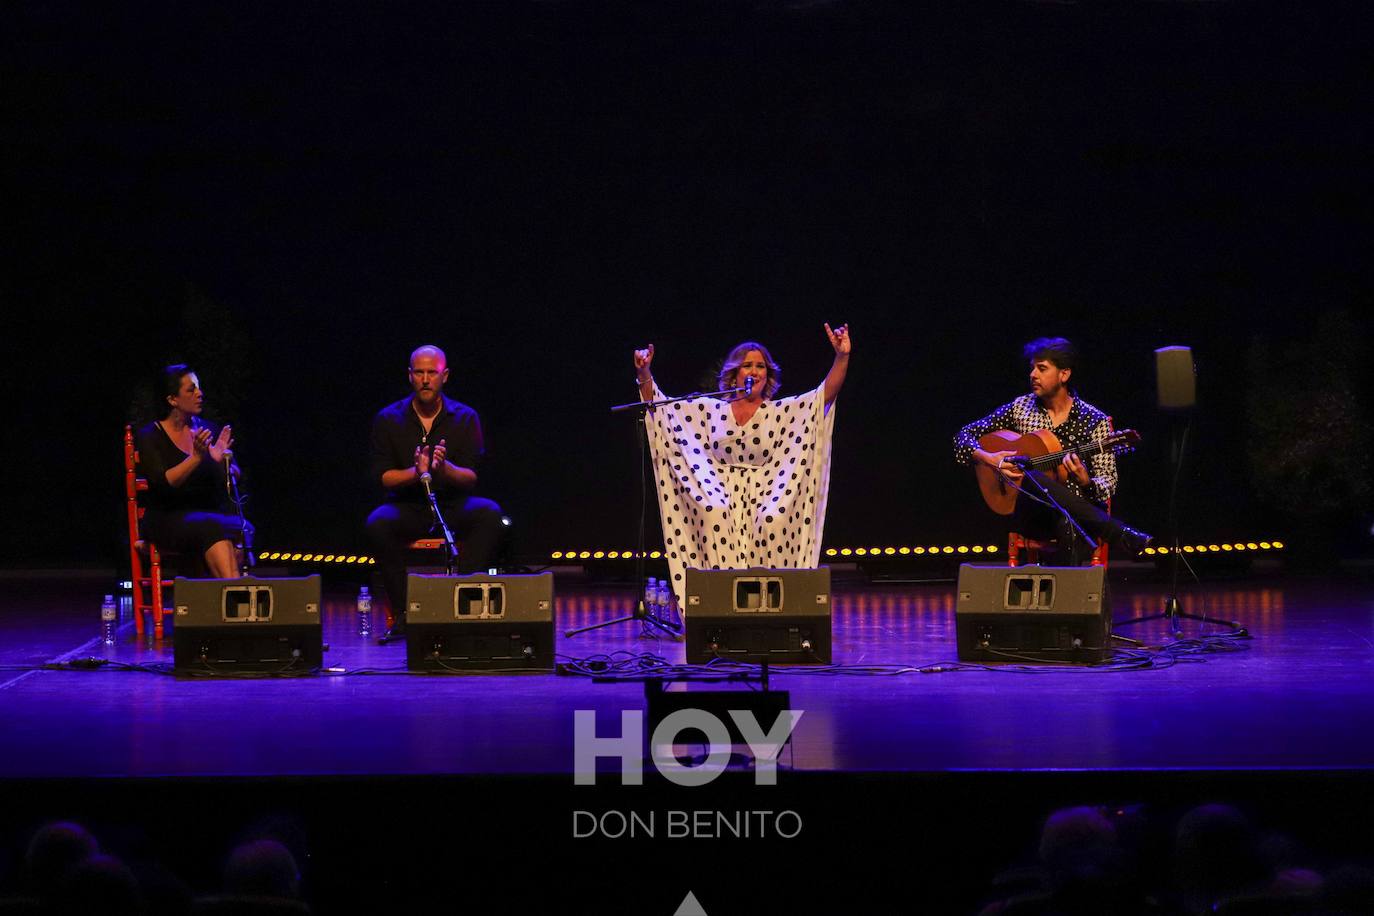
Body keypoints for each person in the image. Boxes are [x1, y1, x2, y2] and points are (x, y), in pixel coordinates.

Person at [633, 324, 849, 609]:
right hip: (720, 490)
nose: (755, 371)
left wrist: (841, 357)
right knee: (714, 515)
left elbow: (823, 396)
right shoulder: (710, 410)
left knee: (774, 520)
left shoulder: (778, 412)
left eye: (760, 366)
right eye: (748, 365)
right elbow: (661, 409)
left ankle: (774, 608)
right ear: (735, 372)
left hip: (767, 489)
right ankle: (717, 608)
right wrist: (644, 373)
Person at [953, 337, 1151, 563]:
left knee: (1069, 522)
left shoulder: (1094, 420)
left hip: (1078, 514)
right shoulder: (1020, 407)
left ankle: (1063, 596)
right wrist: (990, 459)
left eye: (1042, 368)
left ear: (1064, 374)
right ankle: (1118, 532)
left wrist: (1087, 482)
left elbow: (1108, 483)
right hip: (1034, 513)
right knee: (1033, 474)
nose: (1033, 375)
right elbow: (963, 436)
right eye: (1032, 368)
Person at [365, 345, 505, 641]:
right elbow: (384, 477)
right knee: (377, 523)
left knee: (489, 513)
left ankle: (458, 600)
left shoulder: (465, 417)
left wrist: (445, 470)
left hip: (452, 504)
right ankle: (406, 615)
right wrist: (417, 473)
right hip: (409, 505)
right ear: (410, 376)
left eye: (432, 372)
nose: (426, 379)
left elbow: (470, 477)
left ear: (445, 376)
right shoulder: (388, 418)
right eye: (419, 372)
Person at [135, 364, 250, 578]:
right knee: (213, 528)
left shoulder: (207, 430)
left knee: (242, 527)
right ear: (172, 400)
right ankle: (234, 597)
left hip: (205, 517)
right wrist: (197, 458)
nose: (200, 394)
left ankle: (227, 596)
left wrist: (221, 462)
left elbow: (234, 475)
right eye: (191, 390)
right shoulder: (151, 435)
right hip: (166, 519)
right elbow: (164, 483)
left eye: (199, 388)